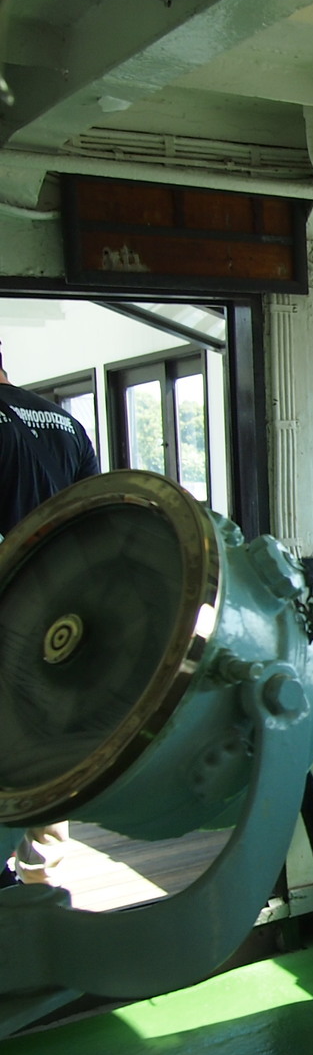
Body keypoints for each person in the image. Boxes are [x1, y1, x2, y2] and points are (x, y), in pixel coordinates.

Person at [0, 343, 99, 887]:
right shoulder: (64, 422)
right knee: (46, 740)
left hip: (8, 605)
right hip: (63, 610)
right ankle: (41, 883)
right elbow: (93, 508)